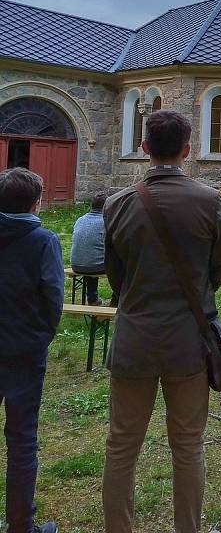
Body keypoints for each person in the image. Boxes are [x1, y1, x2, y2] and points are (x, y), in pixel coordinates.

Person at [102, 110, 221, 533]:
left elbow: (116, 278)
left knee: (122, 445)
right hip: (187, 341)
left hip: (134, 336)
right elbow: (217, 271)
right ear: (188, 149)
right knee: (189, 446)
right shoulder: (210, 201)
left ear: (143, 149)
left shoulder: (117, 205)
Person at [0, 167, 64, 533]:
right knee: (22, 439)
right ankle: (21, 525)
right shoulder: (42, 240)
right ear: (36, 203)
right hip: (24, 349)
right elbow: (53, 297)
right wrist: (42, 335)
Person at [71, 191, 108, 305]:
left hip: (76, 264)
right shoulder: (105, 222)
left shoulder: (80, 220)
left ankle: (92, 298)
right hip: (95, 266)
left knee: (92, 255)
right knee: (117, 265)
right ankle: (116, 300)